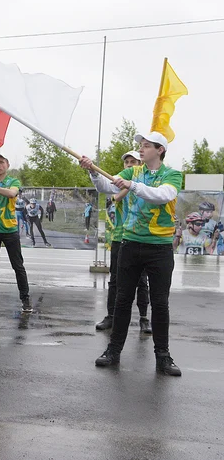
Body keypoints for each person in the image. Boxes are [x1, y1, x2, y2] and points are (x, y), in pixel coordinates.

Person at [81, 131, 183, 376]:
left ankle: (163, 356)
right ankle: (113, 351)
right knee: (122, 299)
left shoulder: (173, 174)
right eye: (141, 145)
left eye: (146, 146)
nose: (141, 149)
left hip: (160, 247)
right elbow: (107, 186)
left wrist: (133, 186)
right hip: (130, 243)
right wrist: (93, 171)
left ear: (160, 150)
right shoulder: (132, 171)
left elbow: (162, 196)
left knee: (160, 303)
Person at [95, 151, 151, 333]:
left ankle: (144, 318)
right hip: (120, 238)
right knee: (115, 280)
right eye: (126, 162)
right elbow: (104, 187)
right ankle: (111, 316)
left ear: (140, 163)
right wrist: (93, 172)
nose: (129, 164)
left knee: (142, 282)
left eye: (133, 161)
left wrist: (129, 187)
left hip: (140, 237)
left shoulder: (146, 183)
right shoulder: (119, 182)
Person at [0, 152, 32, 313]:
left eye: (1, 162)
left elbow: (11, 193)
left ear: (7, 165)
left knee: (18, 266)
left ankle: (25, 299)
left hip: (10, 229)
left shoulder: (13, 181)